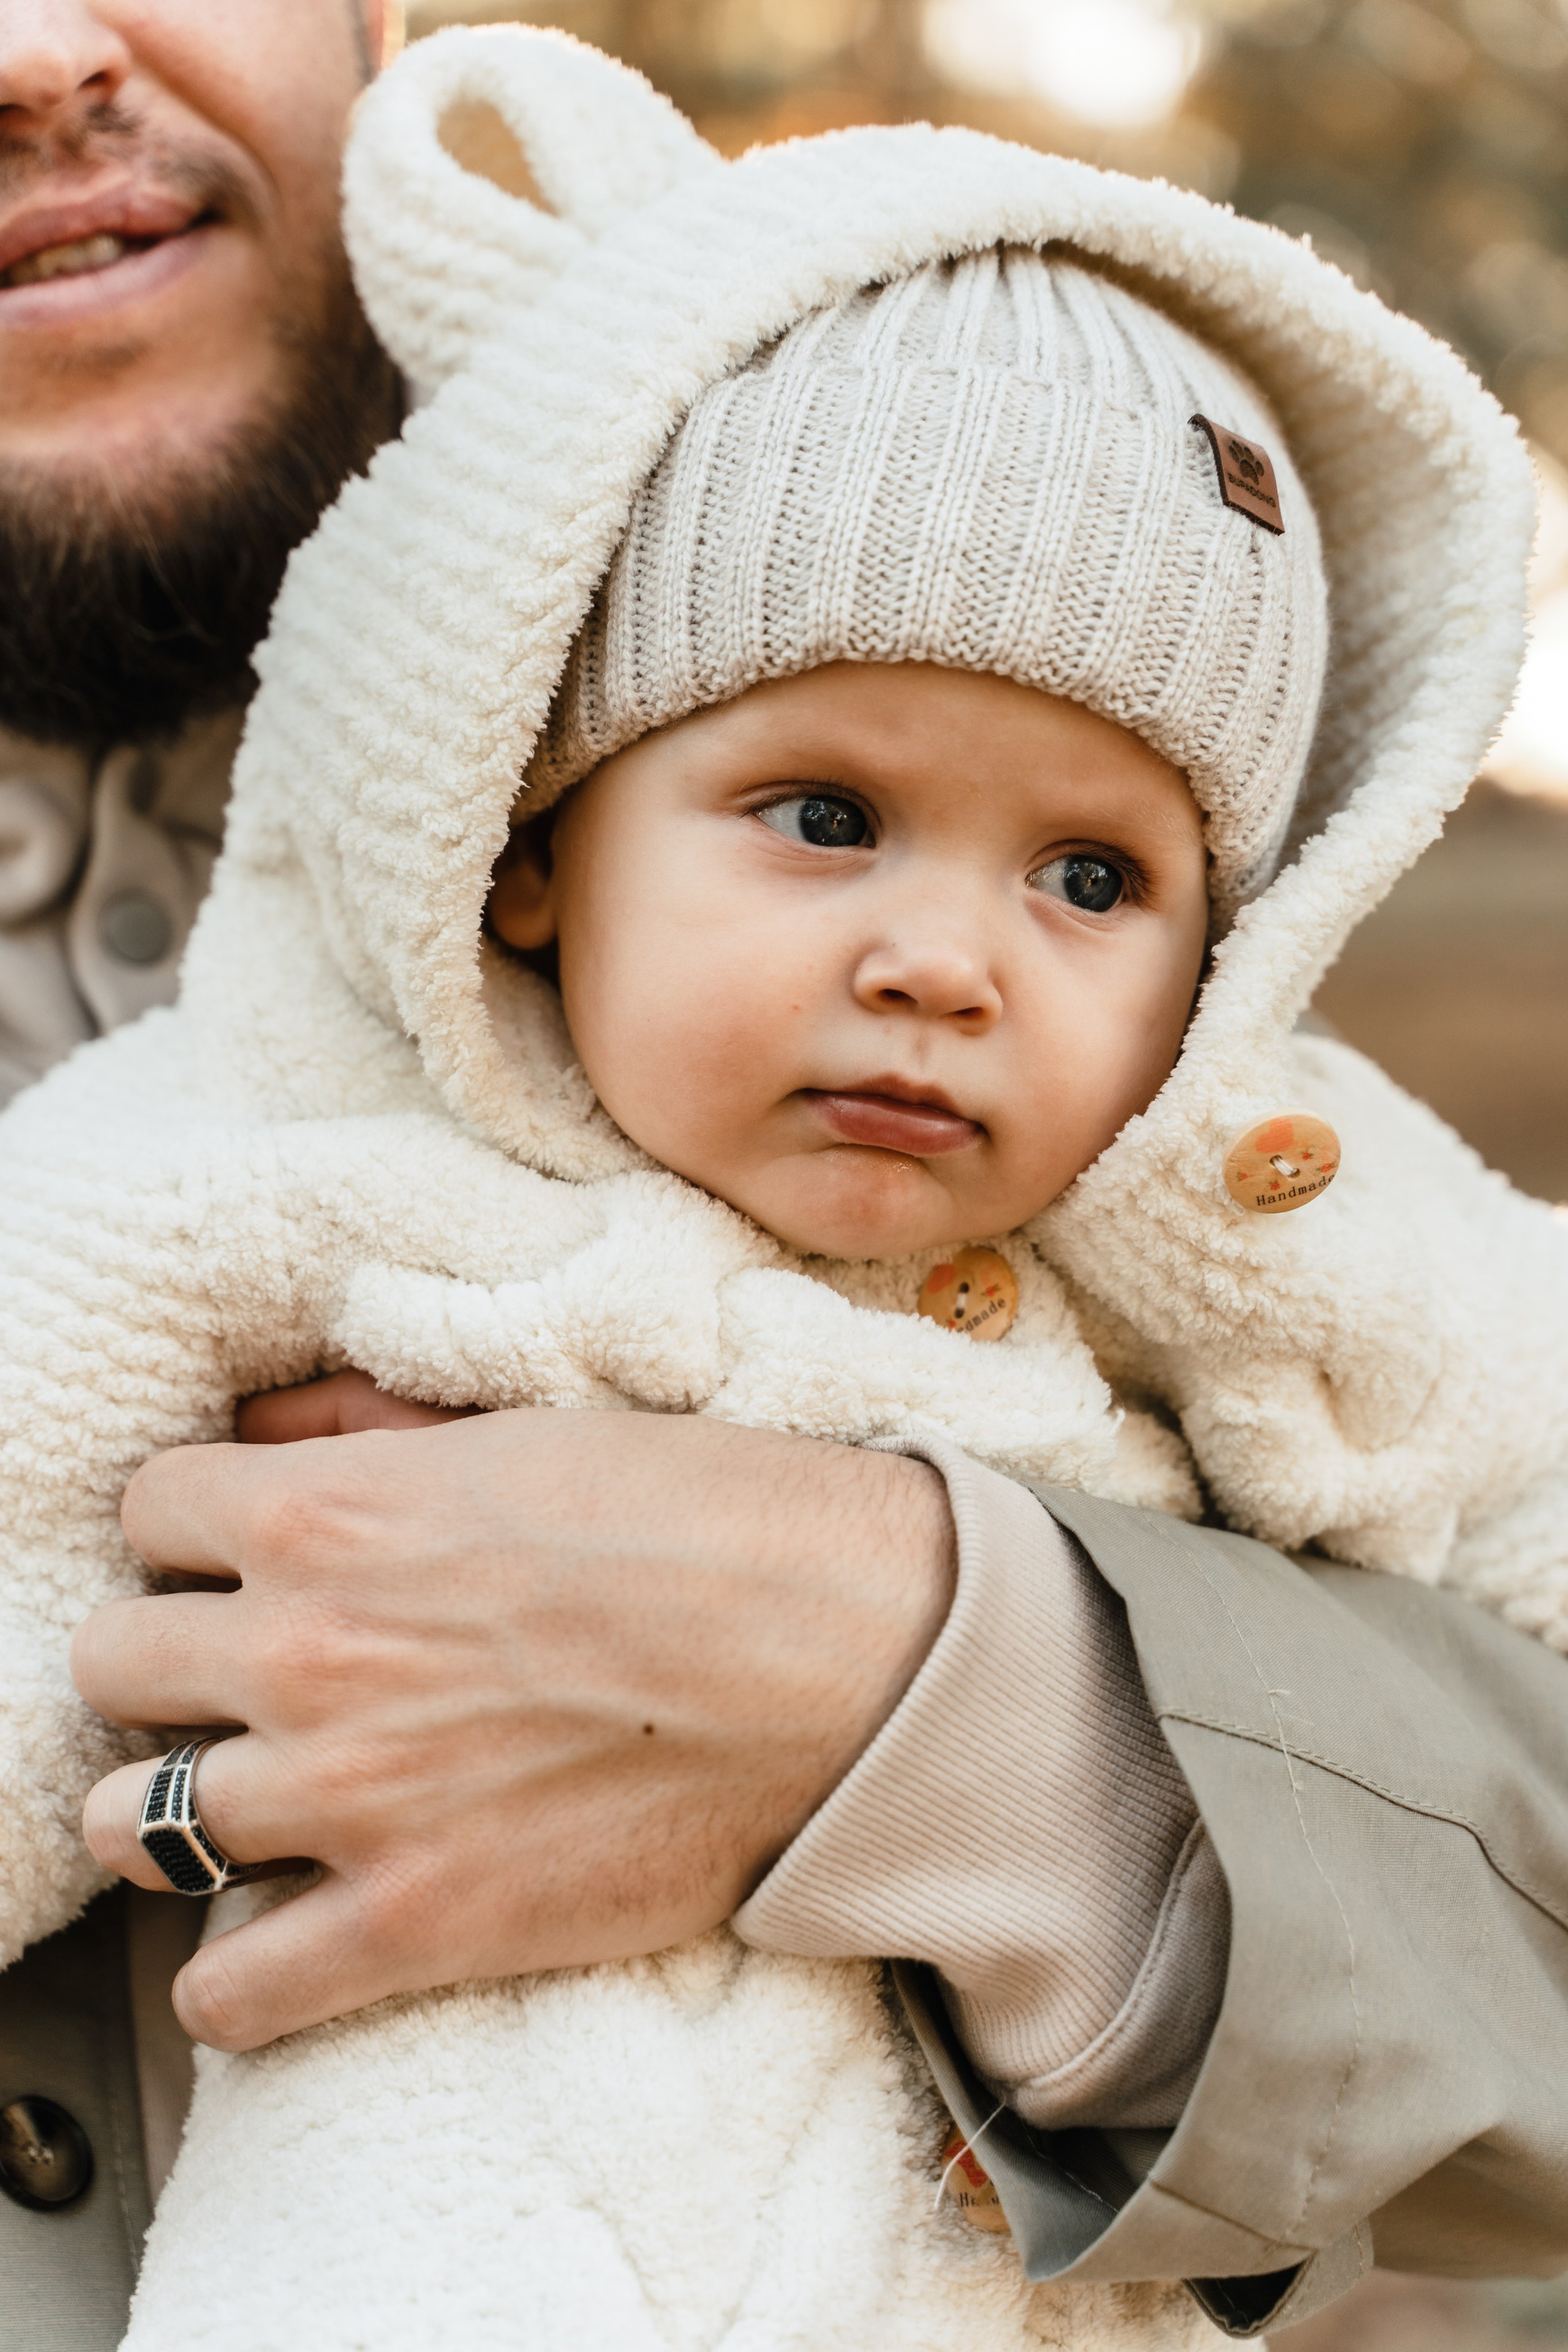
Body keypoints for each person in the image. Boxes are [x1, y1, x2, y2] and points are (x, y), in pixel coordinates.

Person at [3, 9, 1568, 2350]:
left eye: (1090, 874)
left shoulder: (1233, 1199)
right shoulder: (214, 1176)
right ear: (531, 855)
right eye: (827, 821)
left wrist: (992, 1714)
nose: (941, 962)